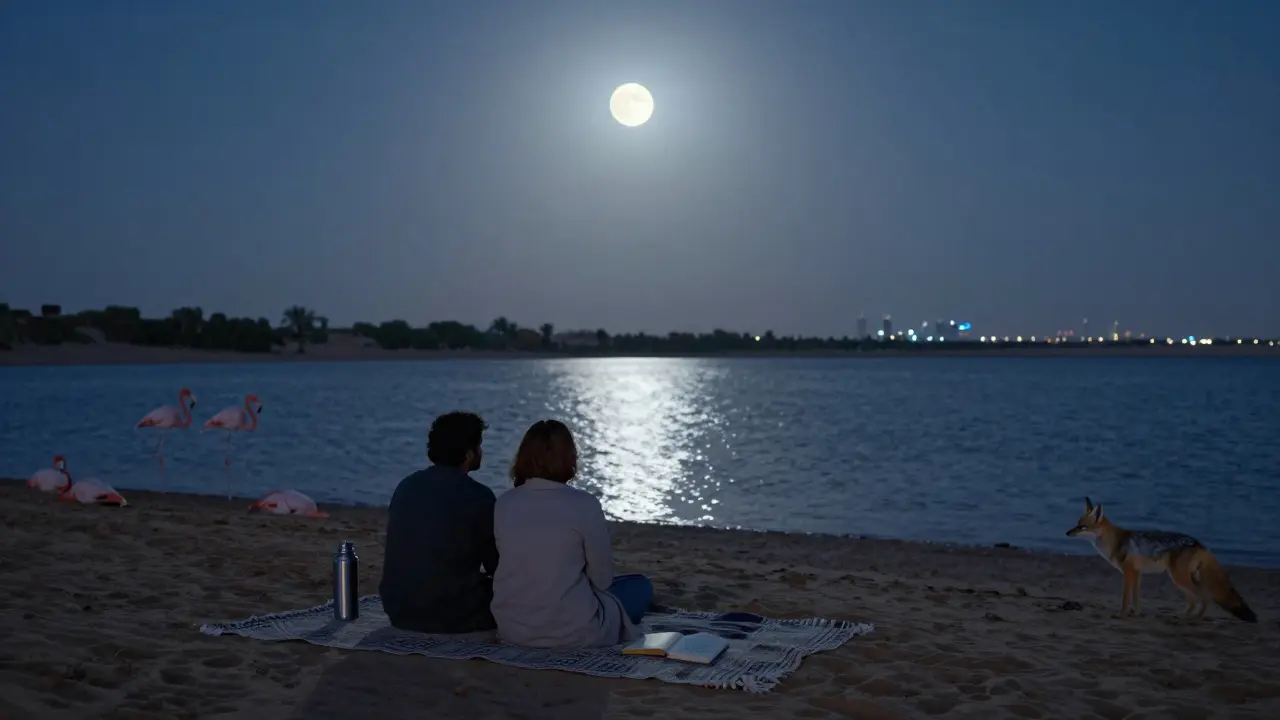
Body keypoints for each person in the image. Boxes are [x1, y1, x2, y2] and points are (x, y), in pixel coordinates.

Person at [490, 419, 654, 649]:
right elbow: (602, 579)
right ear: (569, 457)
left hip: (514, 629)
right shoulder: (584, 504)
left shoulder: (505, 503)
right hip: (574, 631)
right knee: (640, 587)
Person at [379, 411, 499, 633]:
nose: (482, 452)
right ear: (469, 453)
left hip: (399, 609)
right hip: (450, 614)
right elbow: (496, 564)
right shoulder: (479, 496)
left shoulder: (407, 486)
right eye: (479, 445)